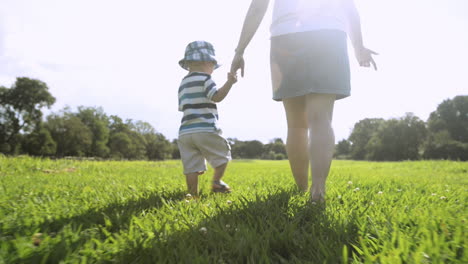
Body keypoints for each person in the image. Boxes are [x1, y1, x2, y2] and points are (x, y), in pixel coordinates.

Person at [230, 0, 377, 202]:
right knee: (321, 118)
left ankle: (301, 188)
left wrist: (239, 51)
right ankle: (317, 191)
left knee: (296, 125)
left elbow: (257, 7)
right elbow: (348, 8)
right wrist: (358, 46)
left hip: (285, 37)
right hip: (327, 36)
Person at [177, 40, 237, 196]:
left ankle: (192, 195)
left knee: (191, 167)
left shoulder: (183, 83)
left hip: (185, 132)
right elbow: (216, 97)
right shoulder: (205, 79)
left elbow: (182, 107)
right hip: (206, 127)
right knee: (224, 155)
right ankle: (216, 182)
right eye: (213, 65)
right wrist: (229, 82)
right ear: (206, 62)